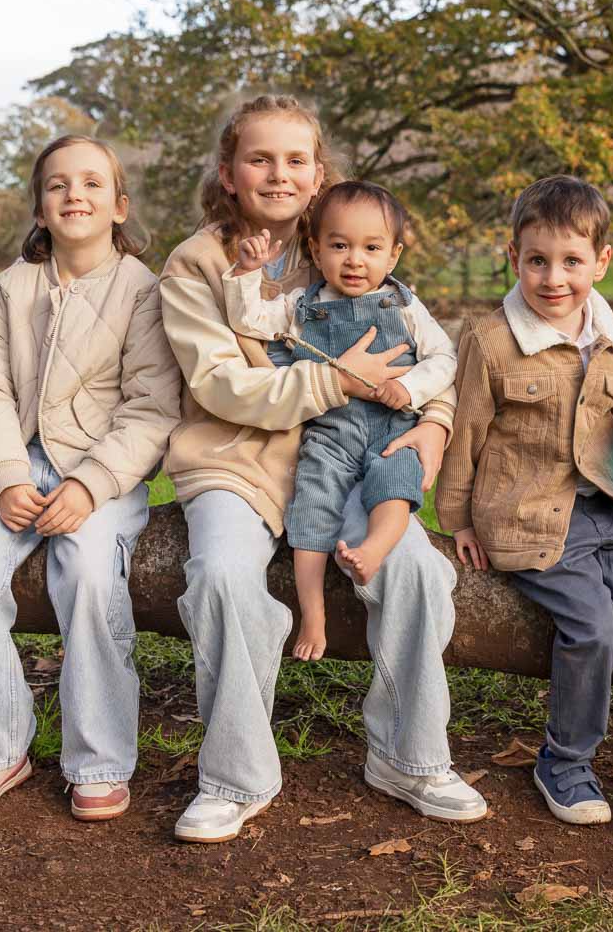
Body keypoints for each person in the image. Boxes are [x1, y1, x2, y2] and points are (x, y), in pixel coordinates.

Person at [158, 94, 487, 843]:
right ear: (229, 173)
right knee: (221, 579)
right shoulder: (196, 263)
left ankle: (410, 757)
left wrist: (433, 427)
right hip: (235, 461)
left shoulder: (344, 242)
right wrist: (334, 380)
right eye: (260, 159)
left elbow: (417, 354)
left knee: (417, 570)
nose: (279, 174)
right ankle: (235, 775)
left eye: (296, 160)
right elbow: (220, 387)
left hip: (345, 454)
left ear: (317, 176)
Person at [0, 135, 182, 824]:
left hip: (102, 471)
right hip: (16, 463)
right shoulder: (4, 293)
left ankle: (98, 759)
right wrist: (6, 478)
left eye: (93, 184)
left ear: (119, 206)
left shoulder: (144, 294)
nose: (75, 195)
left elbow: (153, 406)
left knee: (93, 574)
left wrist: (93, 485)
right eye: (58, 185)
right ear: (39, 209)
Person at [437, 175, 613, 837]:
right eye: (537, 261)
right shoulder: (491, 339)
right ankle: (565, 757)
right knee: (595, 629)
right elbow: (465, 429)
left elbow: (611, 416)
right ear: (514, 256)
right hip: (534, 517)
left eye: (572, 262)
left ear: (601, 262)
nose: (554, 278)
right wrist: (458, 519)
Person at [223, 180, 456, 661]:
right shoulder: (302, 306)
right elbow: (251, 322)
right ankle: (313, 614)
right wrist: (247, 274)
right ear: (317, 248)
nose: (355, 260)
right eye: (340, 246)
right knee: (310, 511)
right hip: (330, 431)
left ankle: (372, 550)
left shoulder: (404, 304)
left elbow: (444, 359)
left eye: (371, 248)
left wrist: (409, 389)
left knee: (395, 482)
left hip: (393, 425)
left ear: (393, 257)